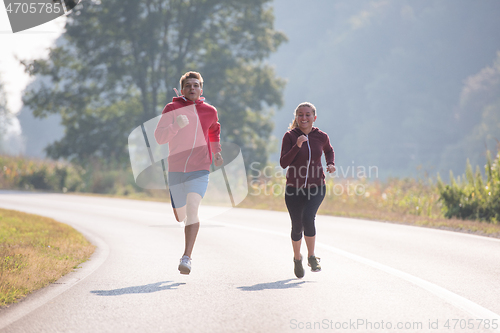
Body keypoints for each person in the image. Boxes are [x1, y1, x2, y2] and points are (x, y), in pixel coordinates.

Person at [154, 71, 223, 275]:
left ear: (201, 89)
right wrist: (176, 125)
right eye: (188, 85)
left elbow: (213, 131)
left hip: (200, 167)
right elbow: (159, 137)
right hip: (176, 168)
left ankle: (187, 257)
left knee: (193, 208)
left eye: (196, 85)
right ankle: (182, 220)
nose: (192, 88)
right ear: (182, 89)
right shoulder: (172, 108)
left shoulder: (210, 111)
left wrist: (217, 153)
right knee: (180, 215)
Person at [280, 102, 335, 278]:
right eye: (300, 115)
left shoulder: (321, 136)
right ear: (296, 117)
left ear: (314, 117)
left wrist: (331, 163)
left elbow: (329, 150)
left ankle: (312, 257)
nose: (304, 118)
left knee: (308, 217)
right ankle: (297, 258)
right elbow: (283, 163)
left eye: (308, 115)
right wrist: (297, 146)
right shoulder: (290, 136)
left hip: (316, 186)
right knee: (297, 226)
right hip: (293, 189)